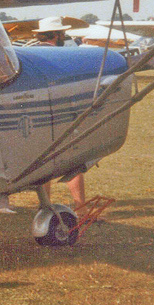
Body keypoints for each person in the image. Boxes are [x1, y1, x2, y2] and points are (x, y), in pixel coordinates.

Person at [31, 17, 86, 208]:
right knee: (73, 161)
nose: (65, 36)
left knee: (44, 162)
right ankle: (80, 206)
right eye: (62, 33)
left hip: (37, 117)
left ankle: (45, 204)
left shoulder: (29, 52)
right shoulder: (60, 55)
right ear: (56, 35)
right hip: (60, 115)